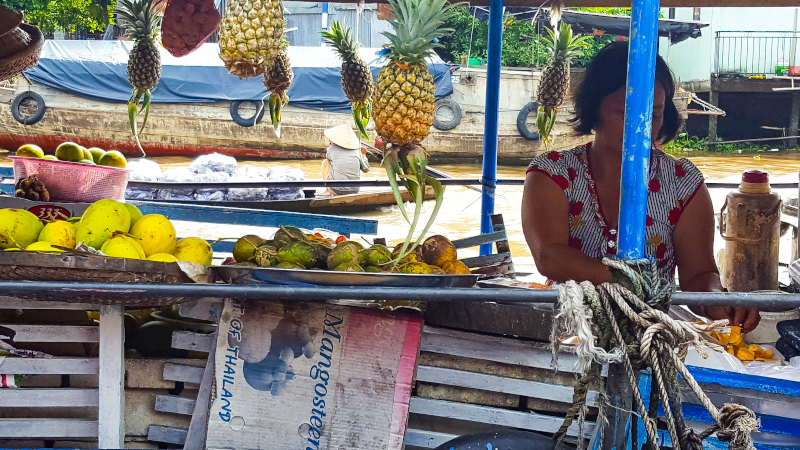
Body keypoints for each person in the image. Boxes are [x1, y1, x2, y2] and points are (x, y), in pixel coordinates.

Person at [521, 41, 761, 333]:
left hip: (649, 330)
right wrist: (628, 282)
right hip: (568, 328)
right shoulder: (551, 173)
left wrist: (721, 301)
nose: (642, 126)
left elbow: (698, 275)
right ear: (594, 110)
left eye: (655, 113)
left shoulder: (684, 183)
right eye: (625, 113)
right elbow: (549, 256)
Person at [318, 124, 370, 196]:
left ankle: (328, 190)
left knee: (325, 162)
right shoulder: (357, 150)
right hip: (355, 190)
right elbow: (366, 169)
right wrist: (363, 154)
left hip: (336, 189)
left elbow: (329, 158)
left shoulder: (332, 148)